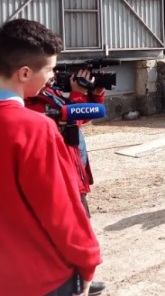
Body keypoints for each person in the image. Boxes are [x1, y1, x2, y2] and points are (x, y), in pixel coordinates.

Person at [0, 19, 101, 296]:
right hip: (38, 280)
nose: (52, 77)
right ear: (25, 73)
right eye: (49, 69)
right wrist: (87, 260)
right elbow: (61, 209)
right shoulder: (36, 128)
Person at [25, 69, 108, 295]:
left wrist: (95, 94)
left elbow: (83, 116)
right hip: (58, 176)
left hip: (73, 171)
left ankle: (79, 278)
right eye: (48, 69)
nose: (53, 75)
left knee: (80, 226)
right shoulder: (30, 103)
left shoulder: (49, 93)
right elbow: (70, 117)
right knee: (67, 232)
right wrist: (77, 94)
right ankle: (69, 282)